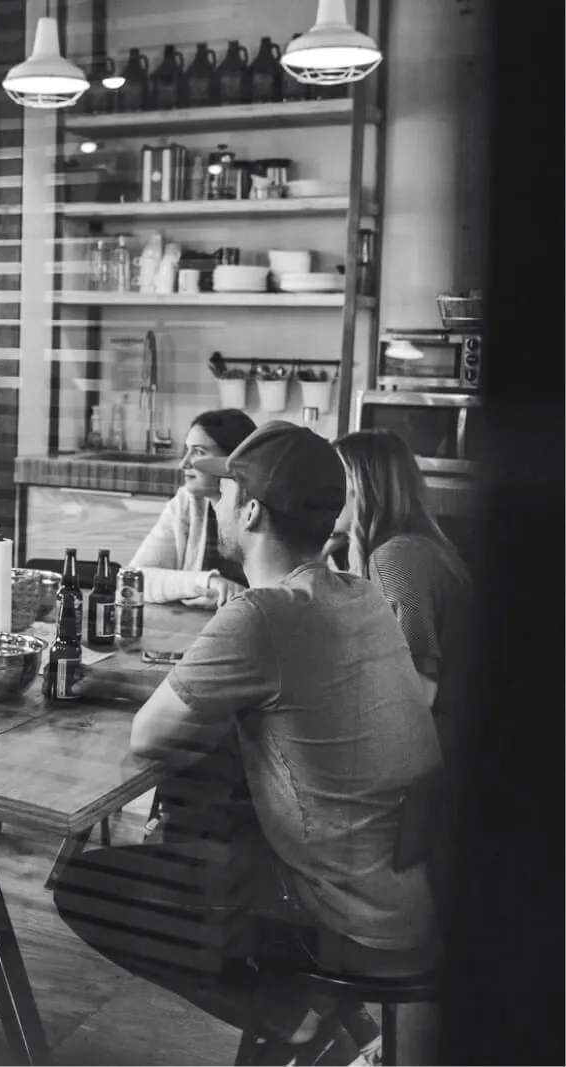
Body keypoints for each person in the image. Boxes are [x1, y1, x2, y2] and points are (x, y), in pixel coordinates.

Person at [54, 422, 444, 1065]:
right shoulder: (357, 593)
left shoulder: (263, 614)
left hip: (345, 915)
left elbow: (148, 736)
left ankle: (294, 1020)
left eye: (229, 492)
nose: (219, 503)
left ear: (253, 510)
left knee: (89, 888)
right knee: (215, 807)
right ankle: (346, 1032)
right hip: (406, 887)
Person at [331, 430, 474, 758]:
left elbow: (418, 688)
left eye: (334, 479)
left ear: (363, 488)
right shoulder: (417, 546)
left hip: (445, 749)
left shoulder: (396, 556)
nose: (321, 490)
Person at [128, 408, 256, 606]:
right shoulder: (186, 504)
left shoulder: (264, 511)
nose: (183, 463)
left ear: (233, 460)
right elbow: (134, 579)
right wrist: (207, 582)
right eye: (186, 450)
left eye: (198, 452)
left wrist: (239, 597)